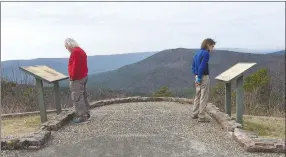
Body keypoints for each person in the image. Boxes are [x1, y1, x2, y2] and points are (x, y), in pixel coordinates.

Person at [65, 38, 90, 123]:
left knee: (77, 98)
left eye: (66, 46)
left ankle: (82, 116)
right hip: (83, 76)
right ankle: (87, 113)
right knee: (83, 96)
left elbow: (75, 67)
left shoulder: (75, 52)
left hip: (77, 78)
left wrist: (72, 77)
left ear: (69, 45)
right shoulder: (81, 51)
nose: (66, 48)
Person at [191, 38, 216, 122]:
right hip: (203, 77)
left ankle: (194, 114)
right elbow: (202, 66)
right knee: (203, 97)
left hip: (197, 76)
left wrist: (196, 76)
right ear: (208, 44)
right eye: (212, 46)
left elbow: (193, 66)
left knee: (197, 95)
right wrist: (200, 78)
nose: (213, 48)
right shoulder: (206, 54)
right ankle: (201, 117)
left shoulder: (197, 53)